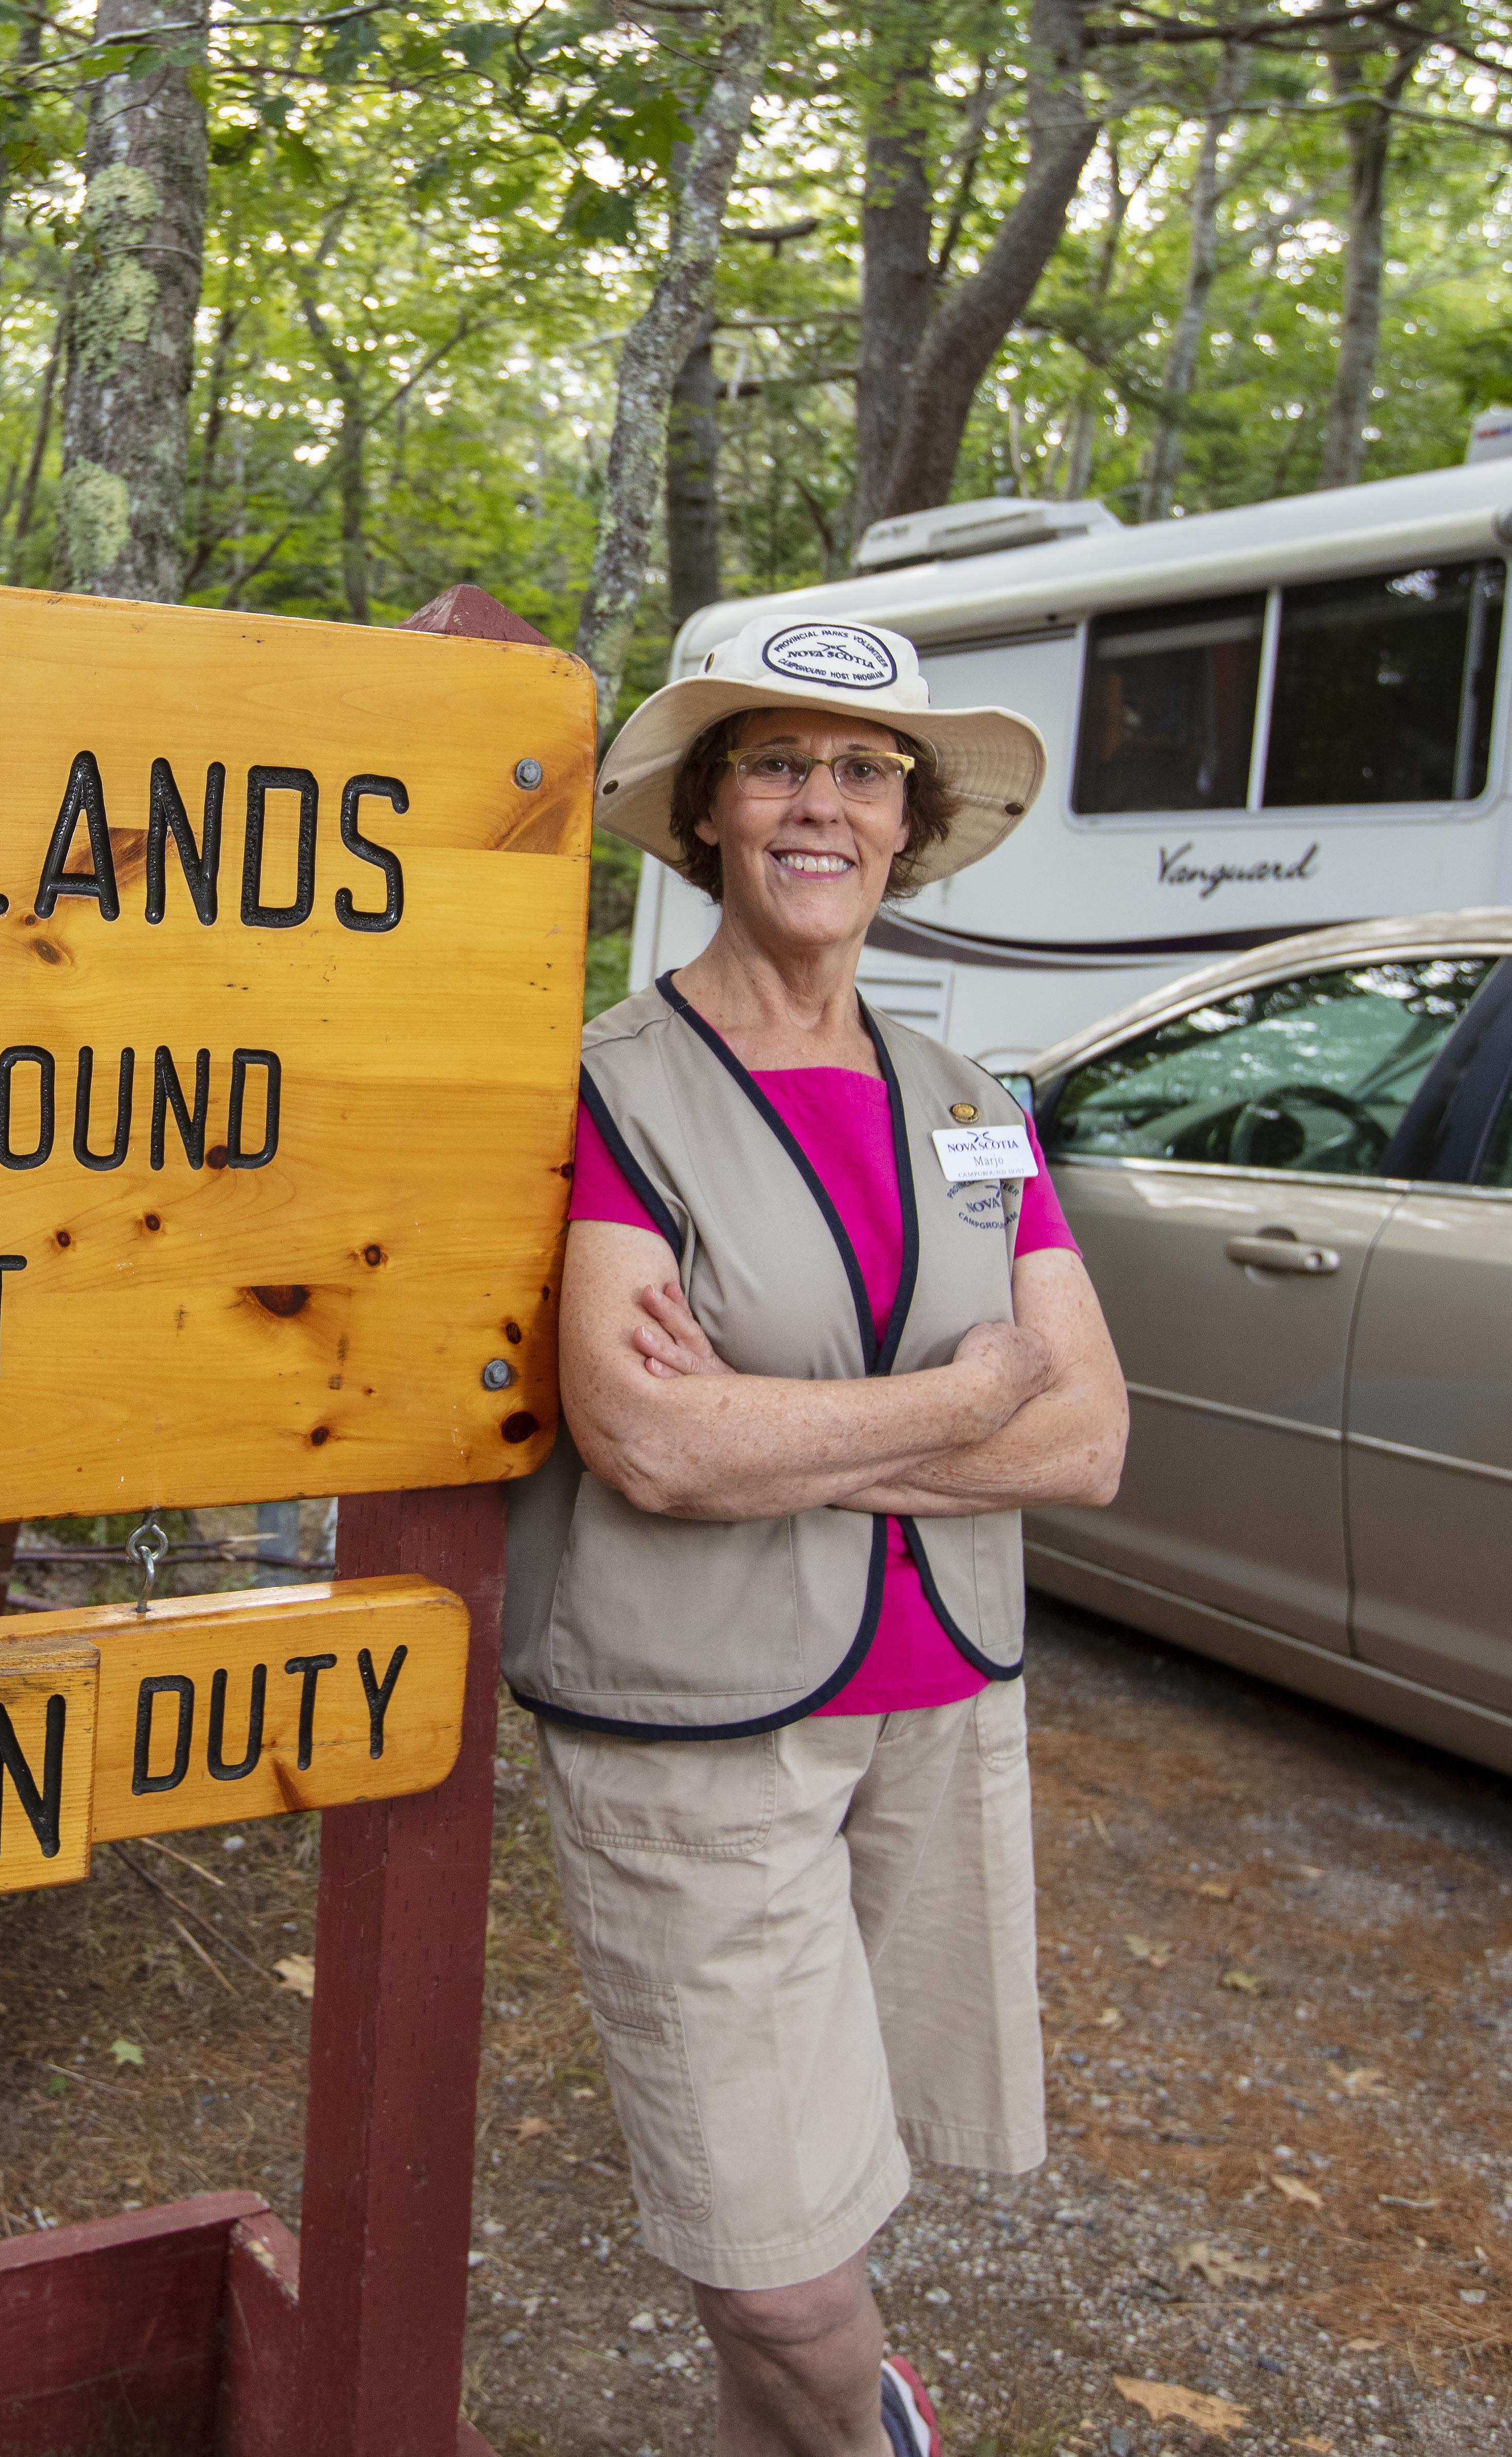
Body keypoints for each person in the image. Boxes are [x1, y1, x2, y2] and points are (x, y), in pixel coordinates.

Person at [507, 620, 1129, 2457]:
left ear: (908, 824)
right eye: (779, 762)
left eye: (867, 772)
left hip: (941, 1705)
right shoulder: (608, 1088)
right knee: (774, 2263)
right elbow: (651, 1441)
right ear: (706, 813)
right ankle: (870, 2432)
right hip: (698, 1727)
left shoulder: (968, 1103)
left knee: (848, 2182)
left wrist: (774, 1436)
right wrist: (965, 1390)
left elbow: (1087, 1438)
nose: (823, 806)